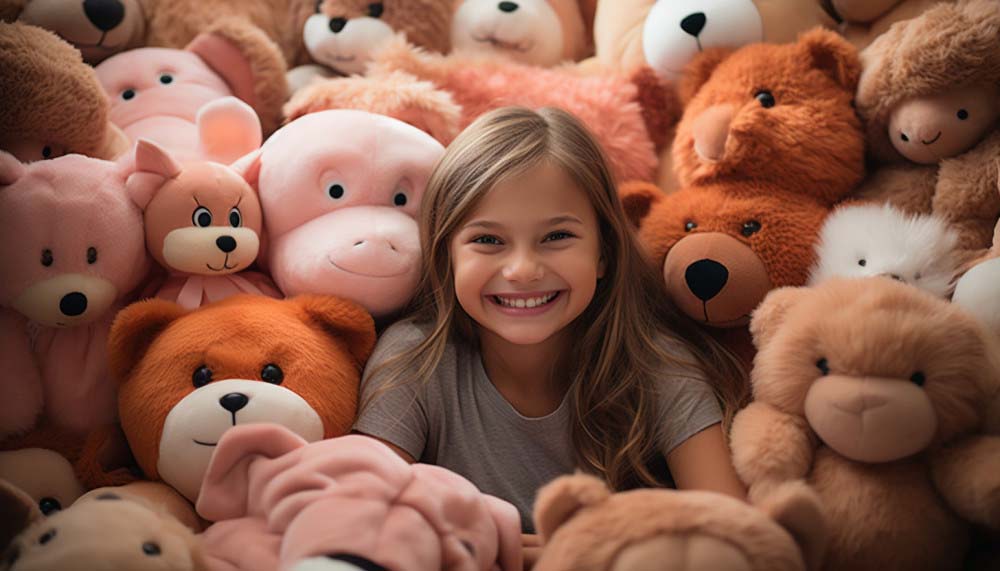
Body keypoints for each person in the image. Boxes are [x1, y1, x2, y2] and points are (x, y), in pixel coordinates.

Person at [353, 106, 748, 566]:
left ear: (603, 254)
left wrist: (590, 551)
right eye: (488, 240)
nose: (522, 270)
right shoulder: (415, 359)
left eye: (557, 236)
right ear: (446, 257)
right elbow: (364, 519)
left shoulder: (657, 364)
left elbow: (734, 533)